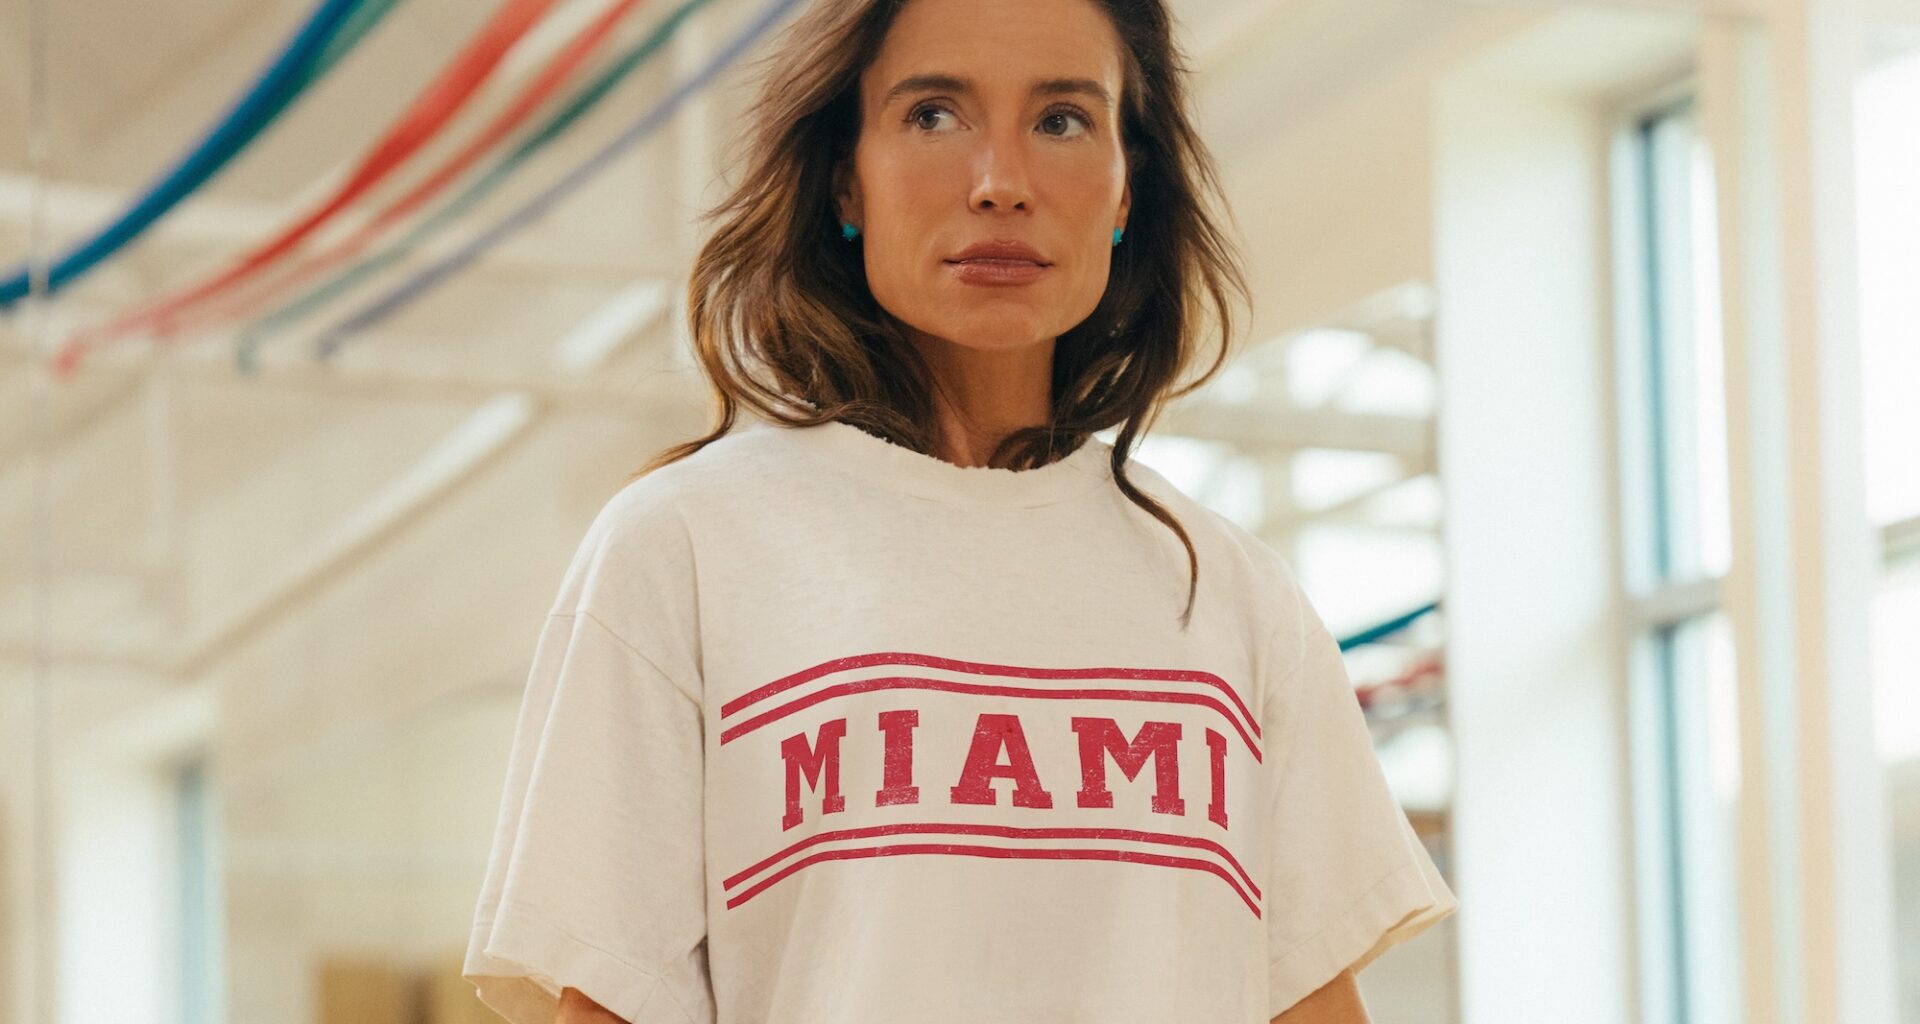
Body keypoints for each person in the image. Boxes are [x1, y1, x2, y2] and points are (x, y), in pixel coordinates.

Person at [461, 0, 1458, 1021]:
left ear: (1127, 190)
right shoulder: (684, 547)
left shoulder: (1235, 593)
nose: (1001, 182)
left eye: (1062, 119)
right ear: (846, 177)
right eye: (934, 114)